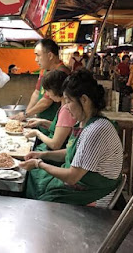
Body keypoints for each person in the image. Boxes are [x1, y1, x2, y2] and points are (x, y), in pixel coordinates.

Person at [20, 70, 123, 207]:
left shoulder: (96, 130)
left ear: (84, 100)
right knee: (34, 181)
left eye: (68, 101)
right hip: (80, 184)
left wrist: (39, 163)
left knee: (42, 202)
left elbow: (72, 177)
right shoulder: (84, 123)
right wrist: (42, 154)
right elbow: (71, 152)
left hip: (93, 194)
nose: (66, 108)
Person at [12, 39, 70, 134]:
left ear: (50, 55)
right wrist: (26, 115)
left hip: (55, 124)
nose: (36, 59)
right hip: (42, 122)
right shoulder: (44, 70)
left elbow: (47, 101)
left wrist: (26, 114)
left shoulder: (61, 72)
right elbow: (36, 93)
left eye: (38, 55)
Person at [24, 70, 77, 152]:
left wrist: (37, 133)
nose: (47, 94)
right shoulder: (63, 106)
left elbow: (55, 144)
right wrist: (42, 122)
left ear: (55, 89)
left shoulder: (66, 111)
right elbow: (61, 130)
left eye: (48, 91)